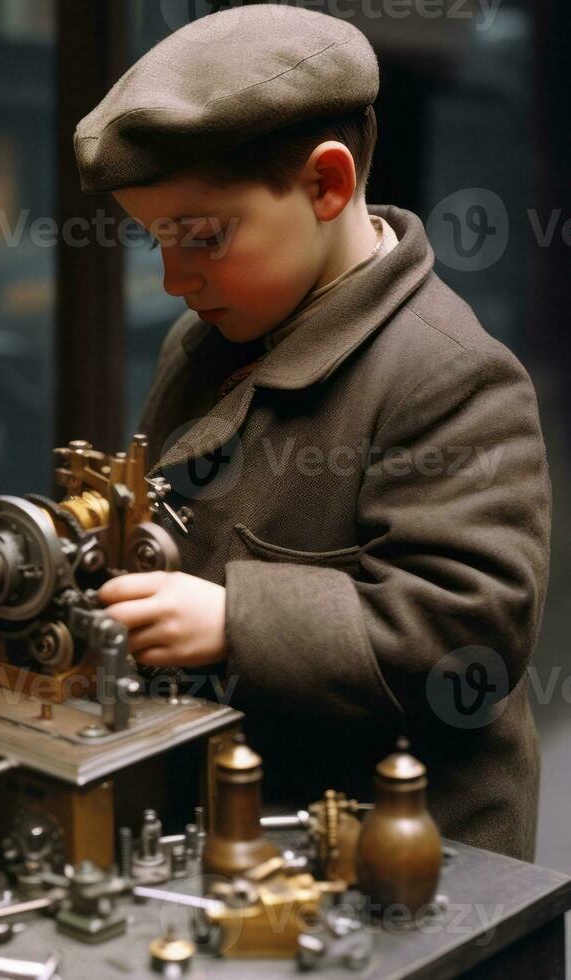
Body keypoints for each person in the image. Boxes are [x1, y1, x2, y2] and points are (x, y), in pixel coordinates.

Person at [76, 6, 550, 861]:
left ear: (326, 185)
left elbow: (467, 634)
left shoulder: (448, 376)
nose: (174, 278)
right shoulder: (204, 341)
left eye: (202, 237)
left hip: (398, 854)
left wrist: (234, 621)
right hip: (225, 813)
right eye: (155, 241)